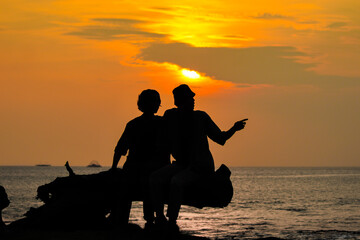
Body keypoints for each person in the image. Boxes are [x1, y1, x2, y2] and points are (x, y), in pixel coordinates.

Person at [150, 84, 247, 231]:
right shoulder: (170, 116)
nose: (193, 100)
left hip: (200, 166)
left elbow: (220, 138)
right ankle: (159, 217)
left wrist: (234, 128)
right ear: (180, 101)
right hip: (181, 164)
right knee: (154, 178)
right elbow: (161, 135)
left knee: (176, 181)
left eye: (193, 97)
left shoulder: (201, 117)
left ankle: (172, 221)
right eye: (189, 97)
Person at [110, 89, 170, 229]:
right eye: (155, 102)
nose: (157, 105)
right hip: (143, 166)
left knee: (133, 184)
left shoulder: (135, 124)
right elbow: (120, 148)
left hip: (140, 167)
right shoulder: (160, 123)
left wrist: (114, 167)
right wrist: (114, 167)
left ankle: (124, 219)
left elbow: (120, 149)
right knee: (141, 183)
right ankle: (147, 219)